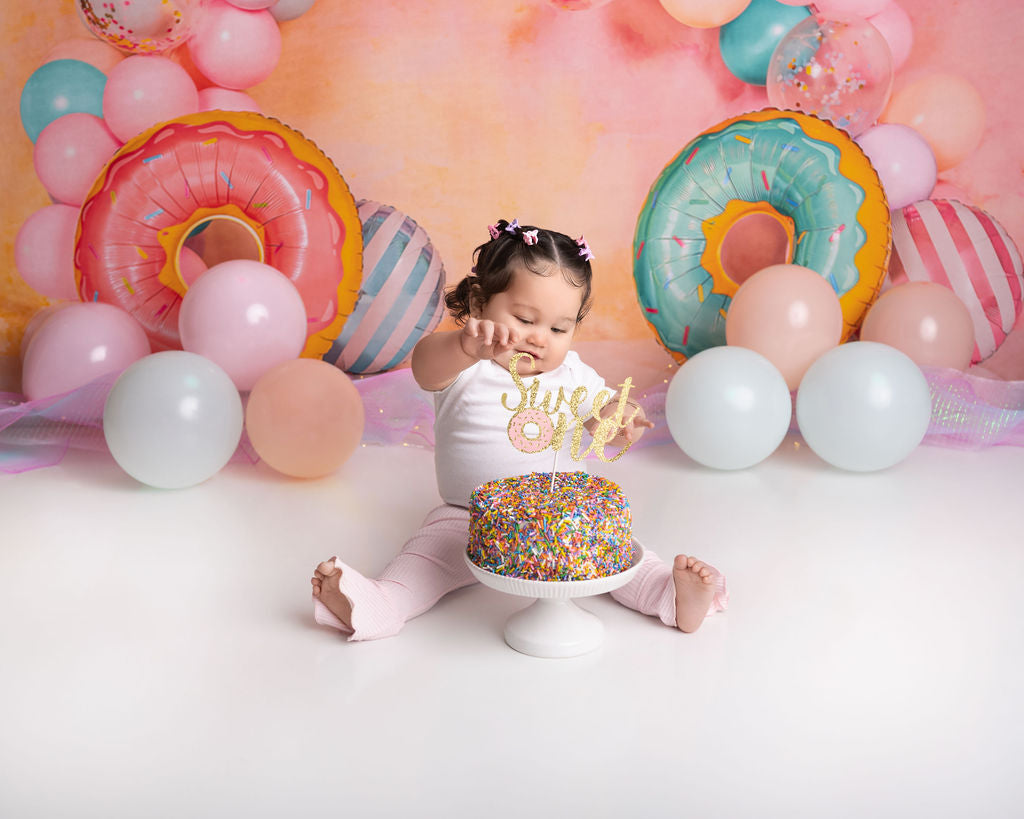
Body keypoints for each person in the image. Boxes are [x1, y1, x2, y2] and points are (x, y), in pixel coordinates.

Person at [311, 219, 727, 640]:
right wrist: (463, 347)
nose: (540, 339)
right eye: (525, 318)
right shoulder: (466, 366)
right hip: (470, 515)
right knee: (425, 561)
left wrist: (620, 420)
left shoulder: (571, 374)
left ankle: (669, 595)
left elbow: (602, 409)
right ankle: (381, 603)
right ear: (478, 303)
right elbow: (424, 366)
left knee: (620, 554)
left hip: (564, 520)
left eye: (559, 328)